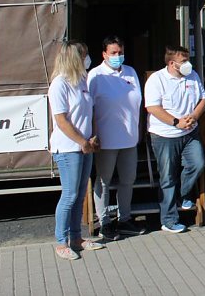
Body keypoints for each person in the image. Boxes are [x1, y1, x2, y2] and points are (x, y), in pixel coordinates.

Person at [49, 41, 104, 260]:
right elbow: (61, 120)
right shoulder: (59, 84)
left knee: (80, 194)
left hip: (84, 146)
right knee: (69, 195)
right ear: (74, 58)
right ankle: (61, 241)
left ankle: (76, 238)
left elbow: (88, 112)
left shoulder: (81, 80)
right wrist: (82, 141)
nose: (87, 59)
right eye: (84, 56)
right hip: (68, 148)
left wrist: (91, 139)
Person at [88, 35, 146, 240]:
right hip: (106, 139)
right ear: (104, 54)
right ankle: (104, 222)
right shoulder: (95, 75)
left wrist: (139, 129)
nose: (117, 56)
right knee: (103, 181)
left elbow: (138, 103)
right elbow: (90, 108)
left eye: (120, 52)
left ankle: (124, 219)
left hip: (129, 137)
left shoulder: (130, 72)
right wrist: (94, 135)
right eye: (113, 53)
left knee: (128, 179)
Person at [144, 45, 205, 233]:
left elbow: (203, 99)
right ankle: (169, 219)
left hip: (189, 132)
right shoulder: (157, 80)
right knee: (167, 176)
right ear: (172, 63)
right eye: (184, 61)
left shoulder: (193, 76)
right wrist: (176, 122)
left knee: (197, 163)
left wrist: (193, 117)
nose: (188, 64)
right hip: (165, 135)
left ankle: (183, 194)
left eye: (188, 59)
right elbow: (153, 107)